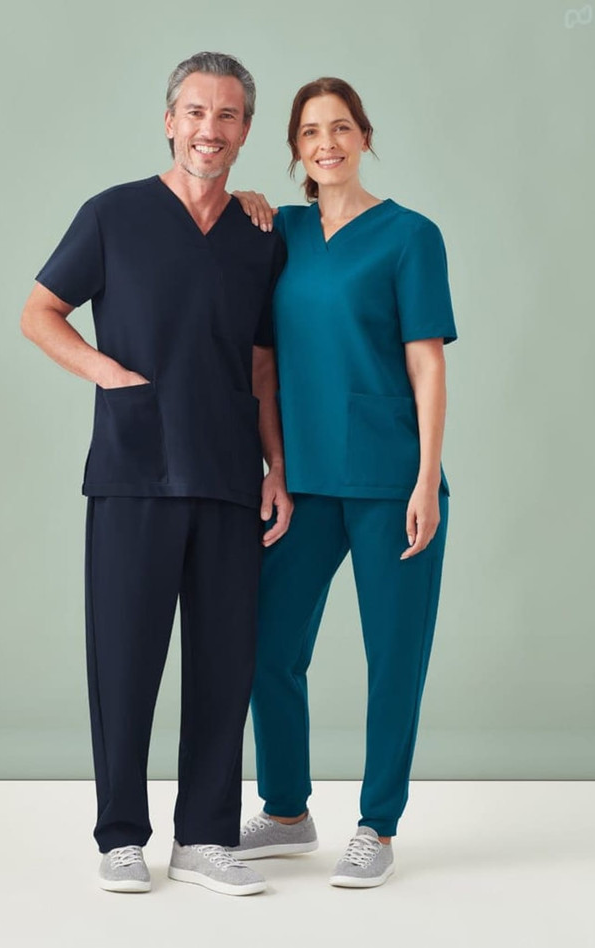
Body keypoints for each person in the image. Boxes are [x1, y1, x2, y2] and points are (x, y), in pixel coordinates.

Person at [20, 51, 292, 897]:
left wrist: (276, 466)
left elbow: (262, 362)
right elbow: (39, 312)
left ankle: (206, 836)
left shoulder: (260, 235)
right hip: (134, 469)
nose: (211, 129)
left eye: (228, 115)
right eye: (196, 112)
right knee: (124, 660)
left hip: (229, 472)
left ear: (246, 130)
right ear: (170, 121)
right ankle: (120, 837)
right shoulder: (114, 215)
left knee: (224, 663)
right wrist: (108, 374)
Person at [230, 77, 457, 887]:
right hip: (306, 482)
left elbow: (426, 365)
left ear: (364, 135)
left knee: (394, 658)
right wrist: (277, 467)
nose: (326, 143)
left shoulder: (410, 236)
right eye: (309, 132)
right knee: (266, 645)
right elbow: (261, 355)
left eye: (340, 127)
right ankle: (287, 812)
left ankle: (378, 824)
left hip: (392, 481)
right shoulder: (281, 232)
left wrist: (425, 481)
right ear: (295, 148)